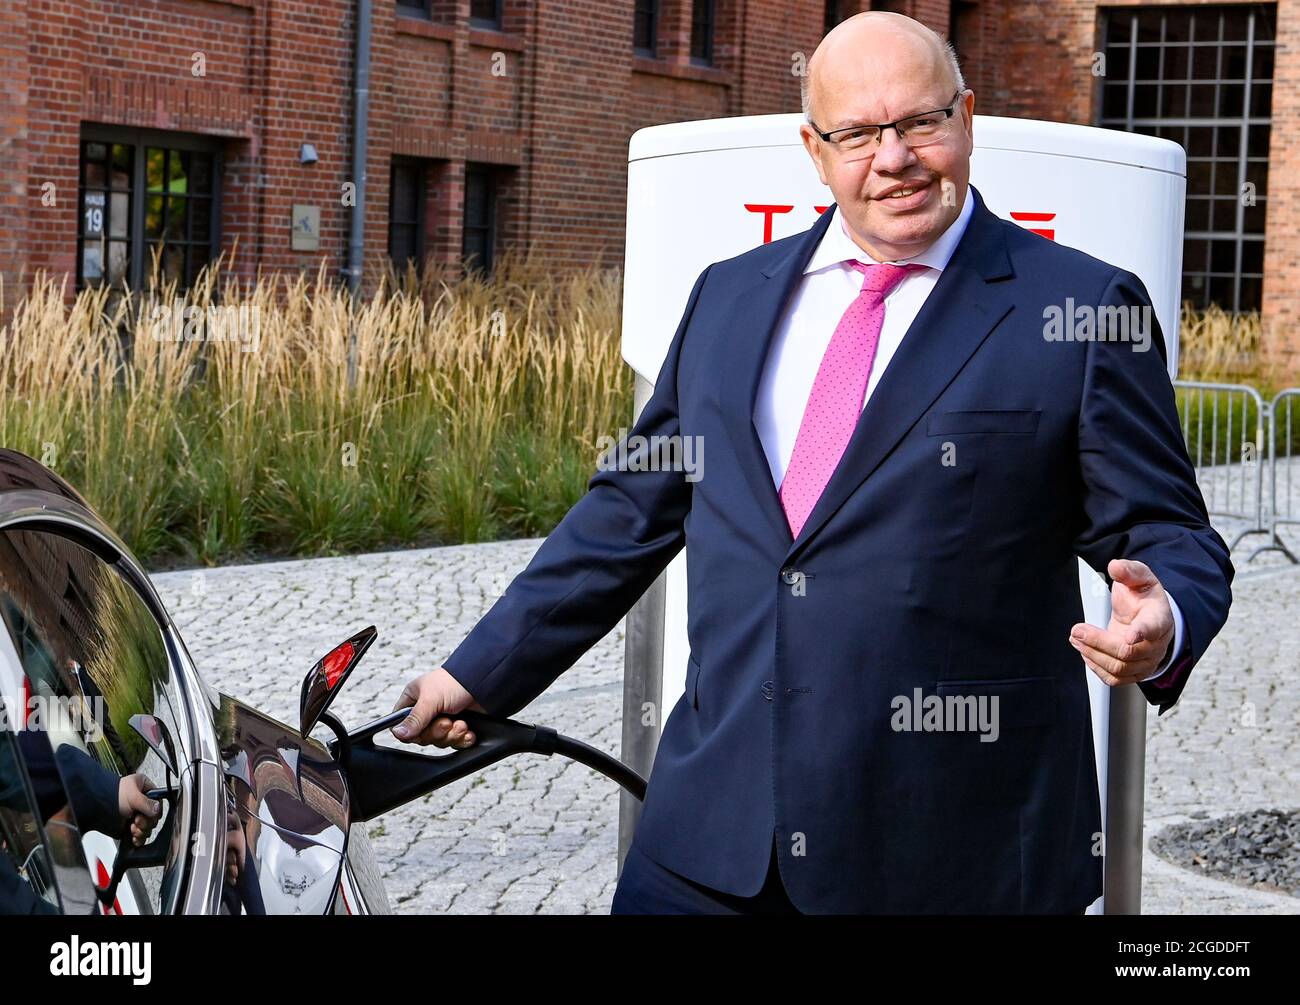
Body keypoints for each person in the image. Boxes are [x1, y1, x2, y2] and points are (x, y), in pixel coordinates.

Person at [390, 11, 1233, 914]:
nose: (895, 156)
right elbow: (625, 514)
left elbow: (1169, 529)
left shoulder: (1082, 306)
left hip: (957, 855)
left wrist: (1166, 617)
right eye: (860, 133)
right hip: (707, 844)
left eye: (920, 122)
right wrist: (477, 672)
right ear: (814, 149)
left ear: (967, 119)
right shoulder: (728, 296)